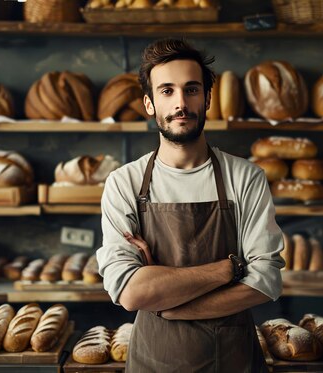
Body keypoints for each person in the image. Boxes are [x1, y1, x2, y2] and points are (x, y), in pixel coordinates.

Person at [96, 38, 284, 372]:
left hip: (231, 360)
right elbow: (130, 293)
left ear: (208, 98)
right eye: (166, 91)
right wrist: (228, 269)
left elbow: (265, 281)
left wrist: (169, 303)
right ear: (150, 104)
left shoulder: (245, 178)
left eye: (192, 89)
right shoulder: (124, 183)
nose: (180, 103)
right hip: (153, 360)